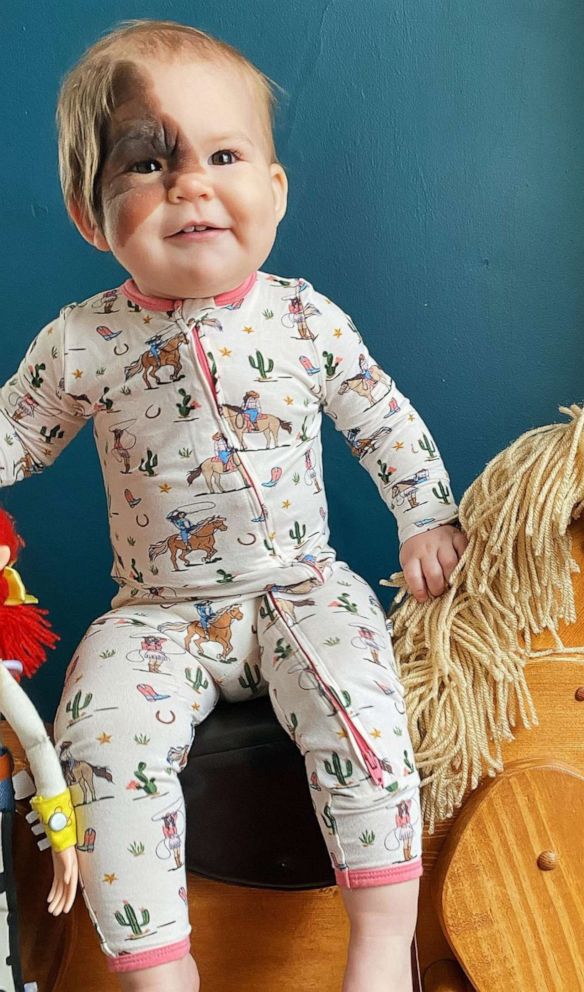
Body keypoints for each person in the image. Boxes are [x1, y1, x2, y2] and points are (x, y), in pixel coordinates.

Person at [0, 19, 466, 992]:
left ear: (273, 190)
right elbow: (17, 433)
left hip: (301, 587)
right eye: (147, 162)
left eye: (222, 155)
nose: (190, 184)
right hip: (159, 612)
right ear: (91, 214)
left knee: (367, 712)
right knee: (100, 734)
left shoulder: (301, 317)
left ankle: (382, 944)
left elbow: (381, 416)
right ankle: (156, 971)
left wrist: (425, 514)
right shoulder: (84, 339)